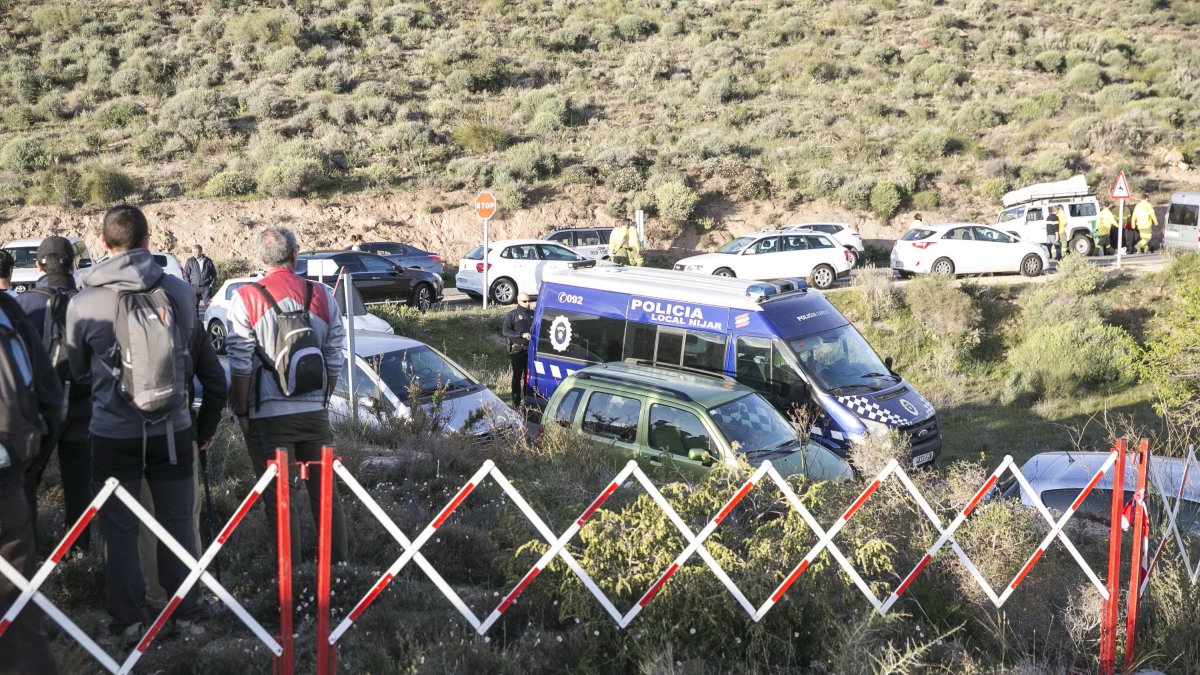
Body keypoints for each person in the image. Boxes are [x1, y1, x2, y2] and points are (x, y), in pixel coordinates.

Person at [65, 204, 209, 643]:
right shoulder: (181, 292)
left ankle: (127, 622)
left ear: (103, 245)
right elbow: (189, 350)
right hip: (173, 429)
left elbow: (78, 371)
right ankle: (187, 615)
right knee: (178, 524)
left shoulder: (84, 301)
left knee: (120, 531)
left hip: (113, 433)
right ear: (148, 242)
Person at [227, 227, 348, 565]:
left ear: (259, 260)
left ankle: (290, 583)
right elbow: (334, 356)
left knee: (281, 501)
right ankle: (339, 573)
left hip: (268, 416)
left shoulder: (246, 297)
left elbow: (240, 364)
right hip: (314, 415)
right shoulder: (322, 295)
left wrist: (242, 412)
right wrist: (322, 401)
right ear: (295, 255)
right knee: (326, 497)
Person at [139, 320, 227, 610]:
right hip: (180, 431)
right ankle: (191, 593)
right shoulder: (183, 310)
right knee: (187, 517)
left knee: (146, 520)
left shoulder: (112, 306)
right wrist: (204, 431)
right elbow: (215, 381)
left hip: (129, 433)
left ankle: (156, 597)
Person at [17, 236, 94, 553]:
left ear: (37, 266)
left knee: (27, 480)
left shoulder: (24, 304)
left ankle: (26, 553)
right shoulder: (88, 301)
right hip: (81, 407)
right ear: (74, 264)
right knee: (78, 483)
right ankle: (78, 550)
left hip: (38, 412)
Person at [0, 293, 62, 675]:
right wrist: (31, 464)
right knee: (18, 615)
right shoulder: (8, 311)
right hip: (6, 481)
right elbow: (50, 396)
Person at [501, 292, 533, 409]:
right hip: (518, 350)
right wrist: (521, 335)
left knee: (528, 377)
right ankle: (516, 402)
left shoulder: (533, 314)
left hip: (531, 350)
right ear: (518, 301)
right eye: (525, 301)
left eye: (529, 301)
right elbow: (505, 331)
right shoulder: (512, 315)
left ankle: (528, 401)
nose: (528, 303)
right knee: (517, 376)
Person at [183, 244, 217, 309]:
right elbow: (185, 274)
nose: (194, 254)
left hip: (206, 287)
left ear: (201, 251)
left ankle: (210, 319)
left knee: (210, 307)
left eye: (196, 252)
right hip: (194, 287)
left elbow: (213, 274)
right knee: (194, 308)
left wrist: (212, 284)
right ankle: (196, 319)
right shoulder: (189, 261)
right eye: (193, 252)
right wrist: (189, 285)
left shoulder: (208, 261)